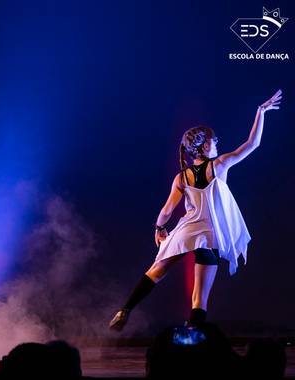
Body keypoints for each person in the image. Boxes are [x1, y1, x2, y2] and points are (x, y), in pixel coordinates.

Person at [109, 90, 282, 331]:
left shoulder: (182, 177)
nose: (217, 144)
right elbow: (253, 144)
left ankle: (125, 309)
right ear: (204, 146)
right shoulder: (220, 165)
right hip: (209, 236)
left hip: (187, 230)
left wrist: (159, 229)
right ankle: (191, 339)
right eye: (214, 141)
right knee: (199, 298)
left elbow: (166, 211)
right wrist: (260, 112)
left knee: (156, 271)